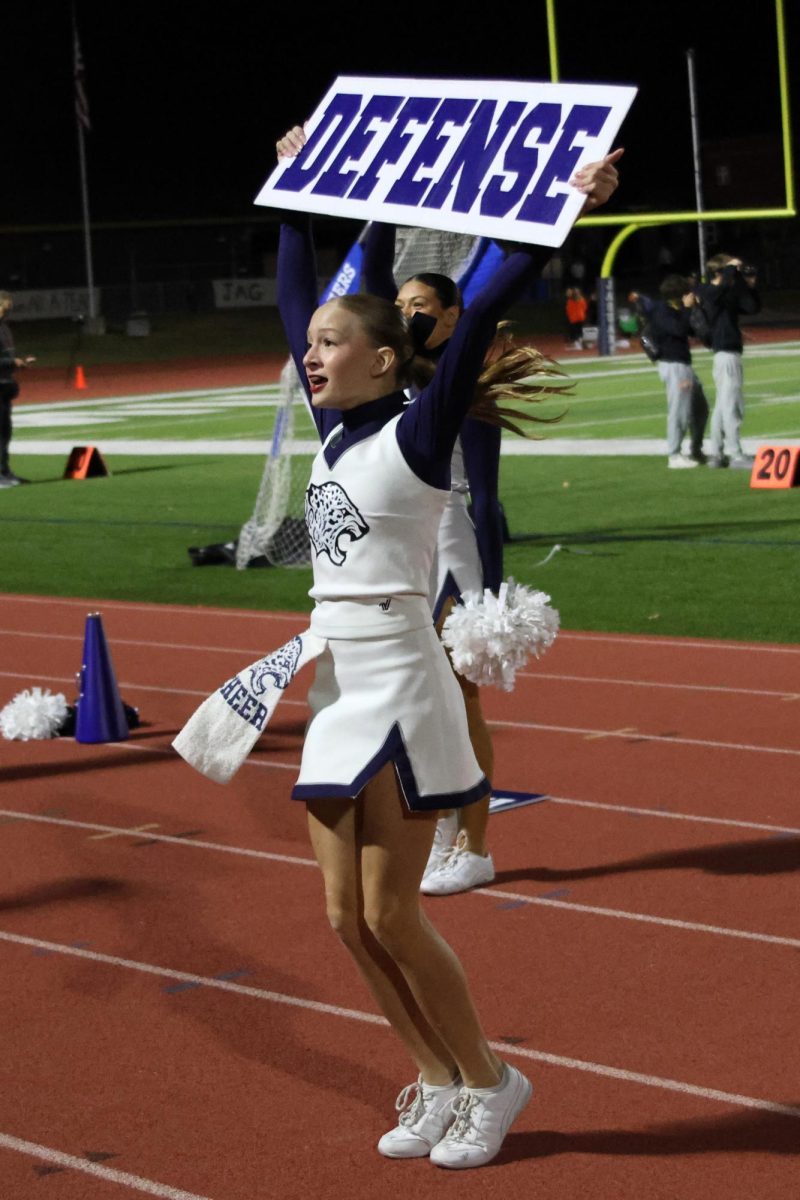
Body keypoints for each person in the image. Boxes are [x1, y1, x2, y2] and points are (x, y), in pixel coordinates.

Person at [274, 124, 621, 1169]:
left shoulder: (417, 431)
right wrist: (296, 187)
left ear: (385, 359)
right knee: (345, 918)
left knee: (392, 908)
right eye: (313, 341)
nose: (311, 351)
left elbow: (489, 302)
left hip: (399, 680)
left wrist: (568, 205)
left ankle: (488, 1078)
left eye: (333, 343)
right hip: (338, 676)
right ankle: (434, 1077)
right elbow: (293, 281)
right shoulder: (334, 434)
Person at [630, 277, 709, 468]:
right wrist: (688, 308)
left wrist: (695, 309)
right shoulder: (661, 311)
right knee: (679, 411)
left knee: (700, 409)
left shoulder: (673, 309)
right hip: (674, 365)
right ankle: (674, 455)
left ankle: (695, 449)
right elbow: (679, 329)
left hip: (683, 364)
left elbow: (692, 329)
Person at [697, 254, 761, 469]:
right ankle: (735, 454)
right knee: (731, 406)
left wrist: (747, 284)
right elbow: (716, 294)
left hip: (729, 352)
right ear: (719, 272)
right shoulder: (707, 290)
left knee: (723, 406)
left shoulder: (726, 292)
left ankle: (716, 453)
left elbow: (751, 307)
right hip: (724, 355)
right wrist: (730, 269)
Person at [0, 292, 35, 488]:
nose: (7, 310)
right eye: (5, 306)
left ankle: (4, 471)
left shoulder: (5, 328)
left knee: (5, 432)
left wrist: (18, 363)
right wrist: (11, 362)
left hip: (5, 386)